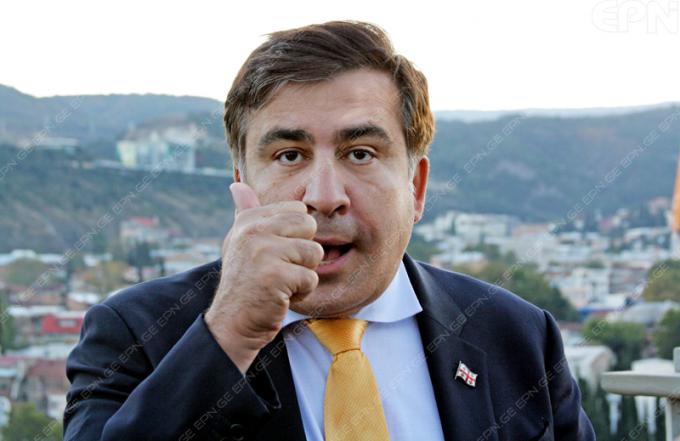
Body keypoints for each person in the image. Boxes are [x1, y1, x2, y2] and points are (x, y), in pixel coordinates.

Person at [63, 20, 595, 441]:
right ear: (242, 184)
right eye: (289, 155)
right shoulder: (137, 333)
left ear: (415, 186)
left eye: (360, 153)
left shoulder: (517, 336)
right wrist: (229, 335)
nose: (323, 195)